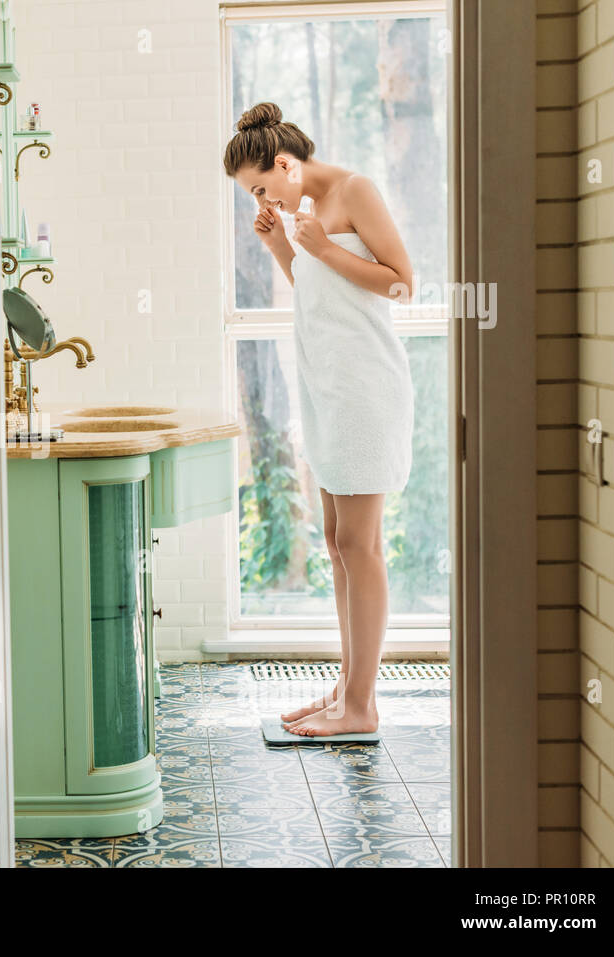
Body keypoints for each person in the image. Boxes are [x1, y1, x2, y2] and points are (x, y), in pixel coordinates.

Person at [223, 102, 416, 737]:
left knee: (359, 545)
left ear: (285, 164)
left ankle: (361, 706)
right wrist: (285, 246)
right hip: (328, 390)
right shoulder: (303, 214)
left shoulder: (355, 190)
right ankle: (347, 688)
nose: (261, 198)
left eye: (260, 187)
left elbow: (400, 286)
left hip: (365, 391)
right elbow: (321, 291)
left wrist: (324, 247)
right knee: (337, 544)